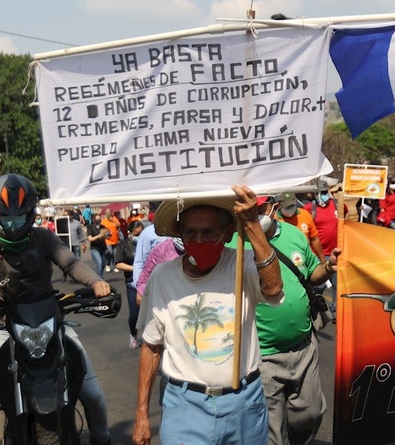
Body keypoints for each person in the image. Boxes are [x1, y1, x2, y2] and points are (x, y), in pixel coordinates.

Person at [133, 185, 284, 445]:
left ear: (226, 234)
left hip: (244, 404)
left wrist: (252, 225)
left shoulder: (243, 263)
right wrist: (141, 415)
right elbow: (151, 346)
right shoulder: (162, 276)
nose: (199, 241)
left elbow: (273, 288)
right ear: (180, 234)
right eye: (191, 232)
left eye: (208, 232)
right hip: (185, 407)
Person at [0, 174, 112, 445]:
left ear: (31, 213)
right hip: (4, 327)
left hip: (51, 324)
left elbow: (71, 263)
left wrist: (97, 282)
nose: (13, 225)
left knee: (92, 391)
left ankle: (102, 438)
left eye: (18, 218)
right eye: (6, 219)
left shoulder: (44, 238)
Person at [233, 195, 337, 445]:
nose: (253, 215)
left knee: (311, 413)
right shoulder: (233, 243)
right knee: (272, 433)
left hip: (304, 347)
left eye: (258, 209)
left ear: (274, 207)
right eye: (247, 210)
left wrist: (330, 266)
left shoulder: (294, 234)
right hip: (262, 356)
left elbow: (313, 272)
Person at [304, 184, 346, 320]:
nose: (324, 195)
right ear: (316, 194)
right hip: (317, 254)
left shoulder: (336, 204)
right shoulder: (310, 209)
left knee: (337, 285)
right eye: (321, 192)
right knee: (319, 285)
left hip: (336, 253)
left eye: (325, 192)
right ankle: (312, 305)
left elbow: (346, 214)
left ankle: (335, 313)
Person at [115, 220, 145, 349]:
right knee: (134, 315)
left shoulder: (146, 244)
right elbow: (118, 264)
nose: (139, 236)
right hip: (132, 284)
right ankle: (133, 334)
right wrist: (135, 268)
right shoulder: (123, 245)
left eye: (141, 233)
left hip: (149, 283)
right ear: (129, 233)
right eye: (137, 234)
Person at [276, 192, 325, 262]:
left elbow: (315, 239)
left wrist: (323, 260)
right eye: (287, 207)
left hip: (307, 258)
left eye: (292, 206)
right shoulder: (275, 220)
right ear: (279, 206)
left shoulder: (305, 214)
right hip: (286, 261)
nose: (290, 209)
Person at [62, 208, 88, 283]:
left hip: (75, 243)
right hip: (66, 245)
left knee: (77, 260)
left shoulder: (77, 223)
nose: (65, 217)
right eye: (64, 215)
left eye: (67, 215)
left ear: (71, 216)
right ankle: (65, 273)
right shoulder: (61, 223)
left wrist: (83, 244)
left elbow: (80, 234)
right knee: (66, 261)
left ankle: (77, 276)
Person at [86, 212, 109, 278]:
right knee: (99, 262)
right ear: (93, 220)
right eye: (97, 219)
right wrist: (98, 236)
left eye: (100, 219)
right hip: (95, 247)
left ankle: (100, 275)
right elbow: (90, 238)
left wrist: (107, 235)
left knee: (103, 263)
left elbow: (107, 235)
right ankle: (99, 278)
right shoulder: (90, 227)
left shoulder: (102, 227)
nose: (99, 220)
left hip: (103, 247)